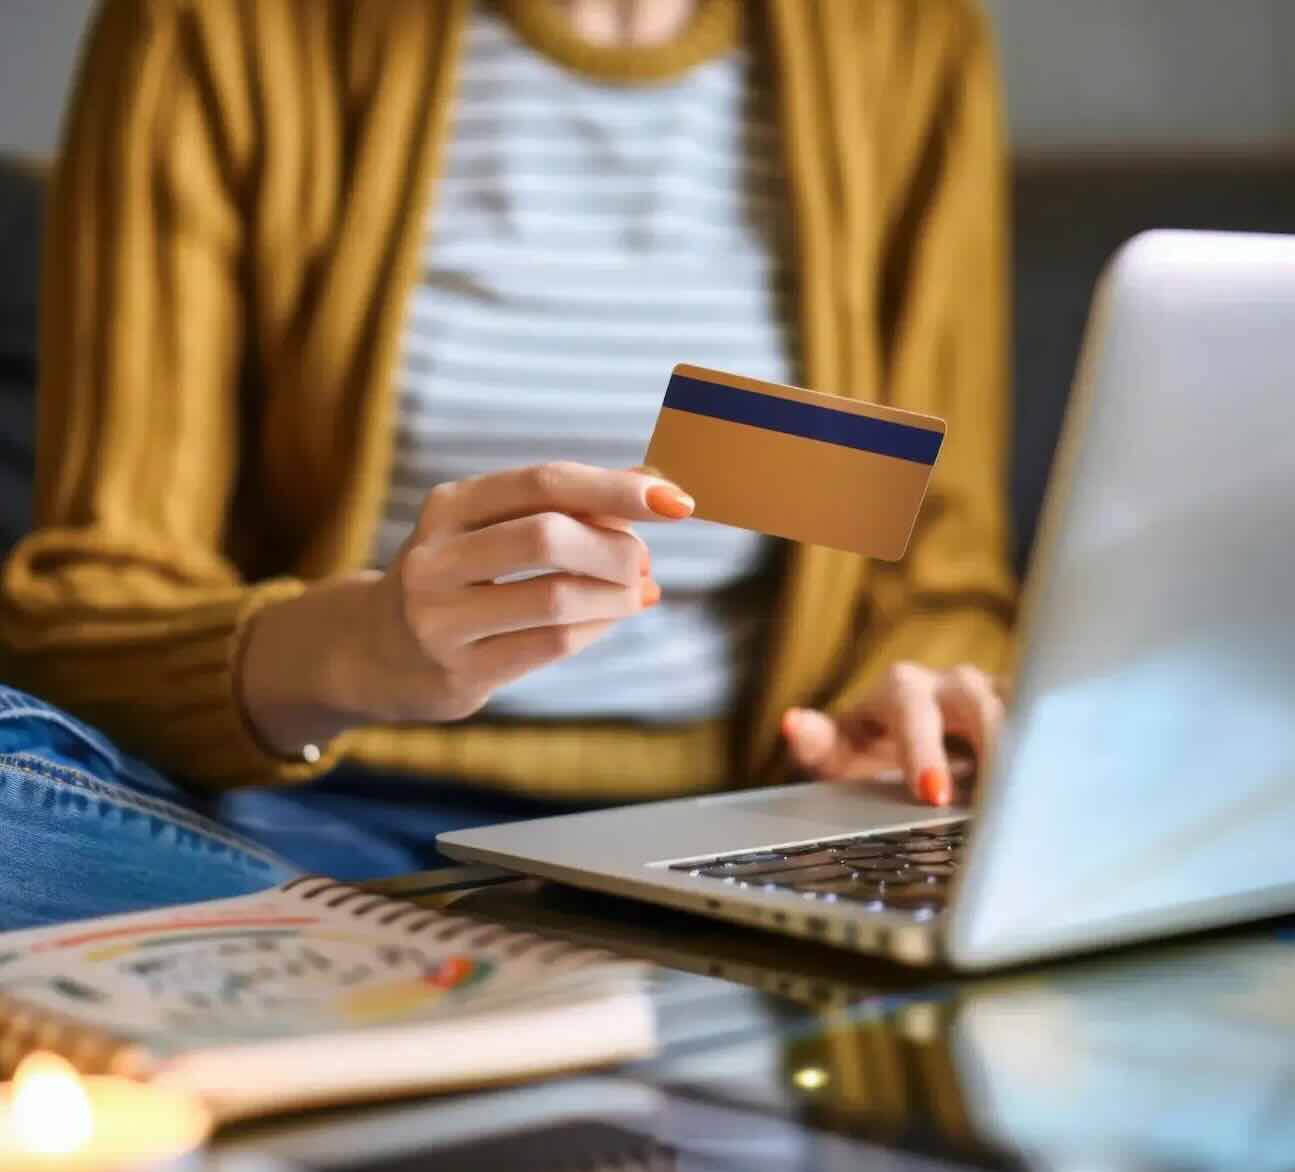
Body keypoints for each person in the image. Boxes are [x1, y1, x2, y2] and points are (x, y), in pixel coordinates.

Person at [0, 0, 1016, 930]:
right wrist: (357, 648)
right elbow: (83, 618)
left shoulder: (902, 34)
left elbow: (942, 571)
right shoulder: (221, 25)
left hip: (749, 813)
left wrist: (904, 719)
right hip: (316, 825)